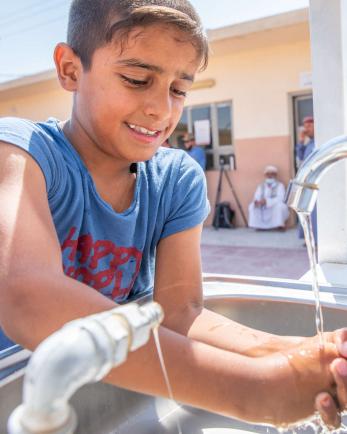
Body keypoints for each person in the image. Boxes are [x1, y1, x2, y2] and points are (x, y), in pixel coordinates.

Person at [0, 0, 346, 429]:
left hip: (116, 385)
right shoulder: (22, 153)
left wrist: (296, 353)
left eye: (179, 90)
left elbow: (180, 311)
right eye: (136, 79)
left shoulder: (176, 179)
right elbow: (26, 295)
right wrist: (253, 389)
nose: (162, 110)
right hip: (19, 391)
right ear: (71, 69)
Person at [296, 116, 318, 243]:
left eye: (309, 126)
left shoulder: (319, 142)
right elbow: (300, 156)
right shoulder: (309, 143)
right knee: (307, 210)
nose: (306, 129)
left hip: (316, 182)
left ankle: (316, 239)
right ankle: (309, 238)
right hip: (307, 182)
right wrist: (301, 140)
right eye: (305, 127)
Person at [248, 165, 289, 231]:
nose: (270, 176)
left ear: (275, 175)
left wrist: (267, 201)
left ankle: (278, 226)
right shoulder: (261, 186)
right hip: (262, 204)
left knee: (280, 206)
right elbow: (256, 197)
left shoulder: (280, 185)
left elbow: (281, 198)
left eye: (272, 174)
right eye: (268, 174)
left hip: (274, 204)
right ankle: (259, 226)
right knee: (252, 206)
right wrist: (257, 202)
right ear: (265, 175)